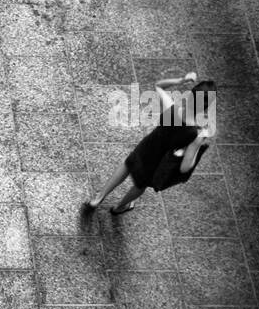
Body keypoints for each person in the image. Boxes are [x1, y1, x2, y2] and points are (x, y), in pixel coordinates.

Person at [86, 72, 217, 215]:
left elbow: (159, 86)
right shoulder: (195, 134)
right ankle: (119, 207)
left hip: (148, 146)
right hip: (159, 162)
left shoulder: (172, 109)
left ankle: (98, 198)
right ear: (206, 107)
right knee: (140, 185)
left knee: (128, 164)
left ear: (191, 95)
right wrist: (198, 145)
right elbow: (185, 167)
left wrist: (182, 79)